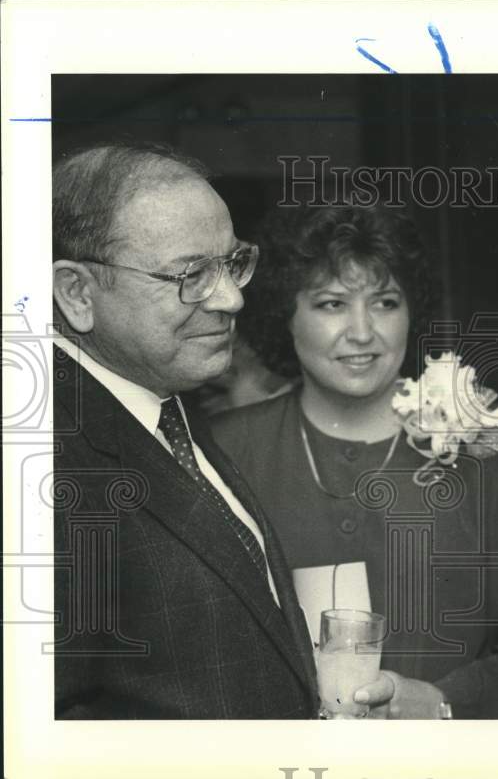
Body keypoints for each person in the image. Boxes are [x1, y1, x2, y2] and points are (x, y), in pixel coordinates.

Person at [210, 204, 498, 719]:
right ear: (285, 314)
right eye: (331, 304)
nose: (362, 331)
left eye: (385, 302)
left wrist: (446, 701)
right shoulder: (224, 450)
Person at [50, 143, 318, 718]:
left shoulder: (166, 406)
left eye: (232, 263)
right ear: (76, 293)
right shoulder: (42, 461)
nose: (232, 297)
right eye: (192, 274)